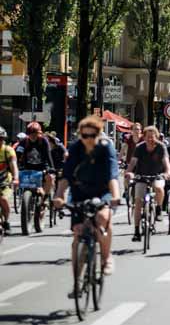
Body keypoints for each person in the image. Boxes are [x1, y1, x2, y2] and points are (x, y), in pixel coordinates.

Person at [54, 116, 121, 277]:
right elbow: (66, 176)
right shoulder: (76, 148)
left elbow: (112, 176)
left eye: (92, 136)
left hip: (102, 190)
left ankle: (106, 259)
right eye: (85, 136)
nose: (88, 139)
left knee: (103, 218)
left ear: (98, 135)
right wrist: (58, 196)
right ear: (80, 135)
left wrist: (116, 196)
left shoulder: (106, 148)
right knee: (77, 234)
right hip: (80, 191)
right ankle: (77, 281)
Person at [125, 126, 170, 242]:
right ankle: (136, 231)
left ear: (156, 136)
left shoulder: (161, 147)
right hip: (141, 176)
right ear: (144, 137)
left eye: (153, 136)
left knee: (158, 188)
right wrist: (129, 172)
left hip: (157, 175)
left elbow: (166, 162)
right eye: (148, 137)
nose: (150, 139)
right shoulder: (139, 147)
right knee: (138, 201)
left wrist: (167, 172)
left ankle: (159, 209)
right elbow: (133, 162)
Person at [16, 122, 55, 220]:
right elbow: (18, 154)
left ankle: (45, 199)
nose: (33, 136)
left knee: (50, 178)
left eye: (35, 133)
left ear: (39, 133)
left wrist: (51, 168)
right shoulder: (24, 142)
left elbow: (48, 156)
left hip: (42, 167)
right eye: (31, 134)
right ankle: (26, 199)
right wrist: (15, 167)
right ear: (28, 134)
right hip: (27, 167)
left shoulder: (44, 141)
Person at [0, 127, 19, 233]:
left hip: (5, 182)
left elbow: (14, 165)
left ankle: (6, 222)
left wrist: (16, 178)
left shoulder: (8, 150)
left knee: (3, 199)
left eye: (1, 139)